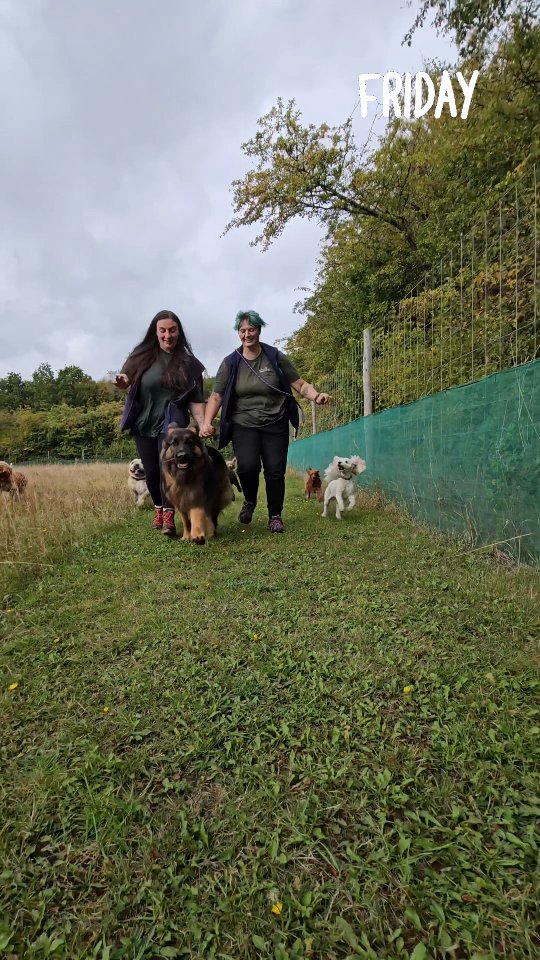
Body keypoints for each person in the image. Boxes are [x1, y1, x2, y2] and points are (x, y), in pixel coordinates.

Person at [200, 310, 329, 533]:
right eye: (242, 330)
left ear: (259, 330)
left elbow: (299, 383)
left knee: (275, 471)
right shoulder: (230, 363)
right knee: (248, 467)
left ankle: (275, 515)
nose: (247, 334)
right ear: (238, 333)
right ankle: (250, 500)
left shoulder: (274, 356)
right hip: (243, 424)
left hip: (275, 422)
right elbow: (216, 396)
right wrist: (206, 422)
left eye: (251, 329)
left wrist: (316, 396)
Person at [116, 309, 208, 537]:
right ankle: (158, 508)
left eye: (172, 330)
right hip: (143, 422)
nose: (168, 335)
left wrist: (203, 423)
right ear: (155, 332)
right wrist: (122, 381)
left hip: (172, 424)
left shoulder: (189, 363)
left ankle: (169, 516)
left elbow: (196, 401)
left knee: (169, 469)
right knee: (153, 472)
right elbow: (126, 378)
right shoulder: (142, 355)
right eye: (163, 331)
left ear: (179, 332)